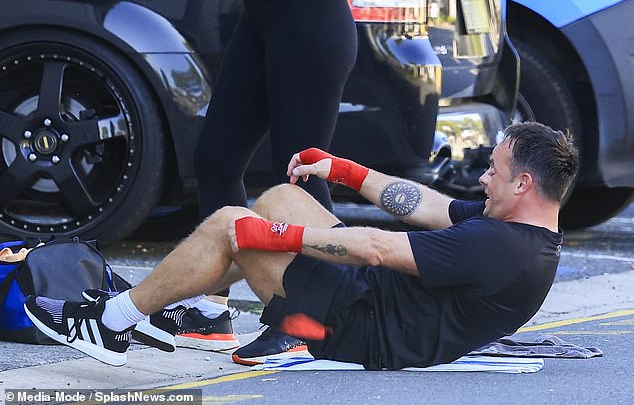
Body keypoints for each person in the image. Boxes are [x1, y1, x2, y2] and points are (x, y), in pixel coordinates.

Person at [24, 121, 579, 369]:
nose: (483, 178)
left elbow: (377, 250)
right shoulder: (519, 229)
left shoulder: (500, 246)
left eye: (493, 170)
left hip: (363, 328)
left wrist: (276, 239)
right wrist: (342, 170)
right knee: (278, 198)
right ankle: (163, 300)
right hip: (373, 298)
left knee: (230, 224)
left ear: (523, 184)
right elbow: (427, 205)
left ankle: (112, 320)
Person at [182, 0, 358, 357]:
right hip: (261, 17)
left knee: (298, 172)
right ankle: (210, 311)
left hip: (310, 20)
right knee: (216, 160)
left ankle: (306, 319)